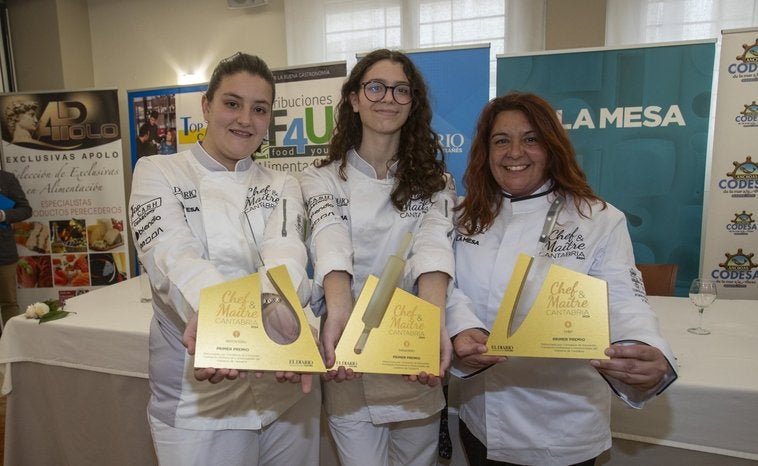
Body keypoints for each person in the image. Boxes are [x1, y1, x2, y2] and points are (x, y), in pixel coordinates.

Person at [446, 92, 678, 466]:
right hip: (483, 418)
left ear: (552, 147)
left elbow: (623, 298)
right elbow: (447, 287)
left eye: (531, 138)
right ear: (485, 152)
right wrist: (460, 329)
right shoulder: (462, 215)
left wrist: (645, 347)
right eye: (501, 140)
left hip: (564, 425)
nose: (515, 152)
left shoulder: (598, 218)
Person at [129, 52, 319, 466]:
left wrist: (283, 318)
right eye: (232, 103)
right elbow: (173, 257)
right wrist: (220, 322)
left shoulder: (282, 182)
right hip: (201, 399)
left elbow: (285, 255)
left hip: (284, 389)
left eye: (259, 109)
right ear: (206, 106)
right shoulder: (158, 171)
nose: (245, 119)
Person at [300, 48, 456, 466]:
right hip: (348, 351)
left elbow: (433, 247)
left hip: (410, 356)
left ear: (413, 102)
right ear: (354, 98)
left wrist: (433, 323)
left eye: (401, 90)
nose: (388, 97)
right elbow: (330, 237)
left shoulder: (436, 182)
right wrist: (339, 315)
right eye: (376, 86)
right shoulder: (321, 177)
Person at [0, 169, 32, 326]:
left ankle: (9, 344)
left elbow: (26, 209)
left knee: (8, 302)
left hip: (3, 252)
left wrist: (3, 215)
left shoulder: (6, 179)